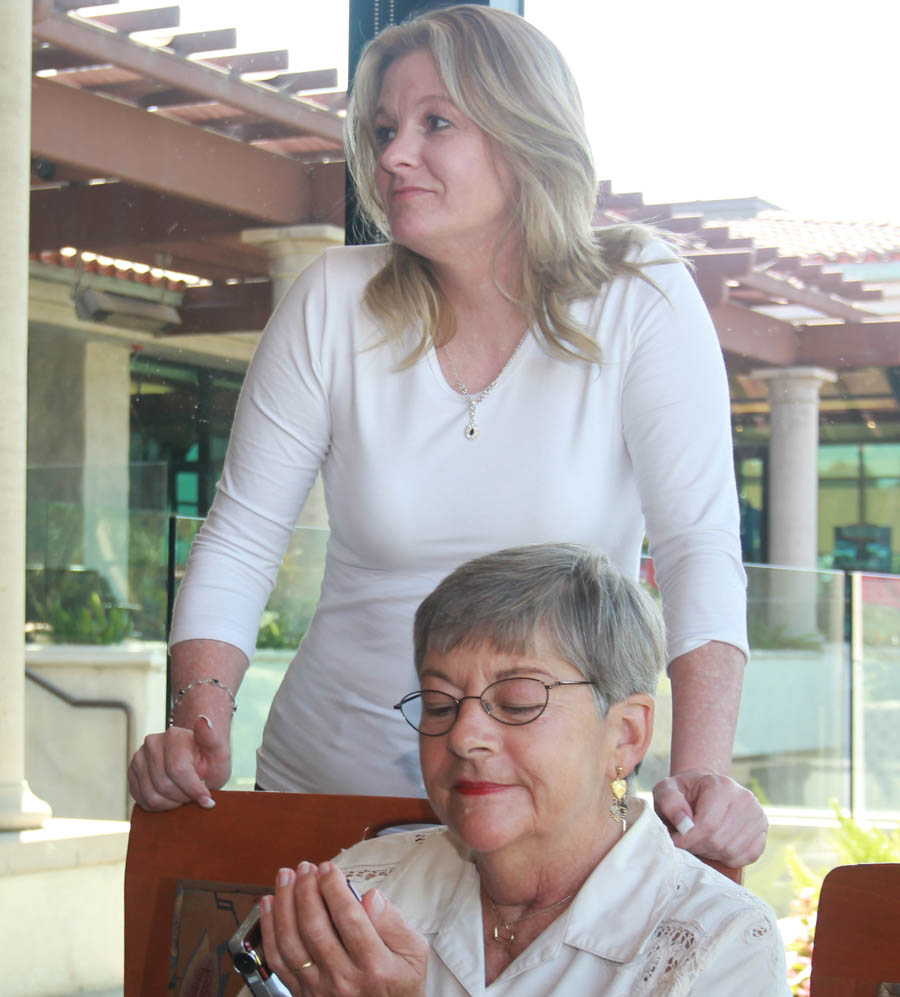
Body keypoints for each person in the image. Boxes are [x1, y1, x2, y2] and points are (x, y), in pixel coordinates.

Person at [128, 4, 763, 866]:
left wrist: (701, 778)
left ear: (523, 133)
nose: (392, 155)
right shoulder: (331, 299)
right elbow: (241, 540)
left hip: (548, 816)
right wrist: (197, 728)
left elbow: (698, 549)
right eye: (384, 129)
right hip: (328, 794)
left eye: (435, 123)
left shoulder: (638, 291)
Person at [119, 544, 791, 997]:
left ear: (625, 734)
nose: (464, 737)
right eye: (439, 704)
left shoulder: (716, 952)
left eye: (517, 702)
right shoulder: (358, 883)